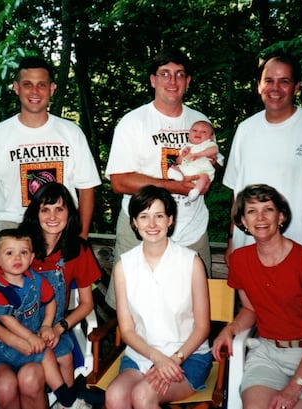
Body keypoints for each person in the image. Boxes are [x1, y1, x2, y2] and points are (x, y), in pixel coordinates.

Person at [211, 184, 302, 409]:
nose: (260, 217)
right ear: (243, 222)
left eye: (268, 209)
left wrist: (294, 387)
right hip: (269, 356)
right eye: (251, 211)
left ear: (281, 216)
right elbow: (250, 310)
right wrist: (229, 329)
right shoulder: (239, 260)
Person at [0, 55, 101, 272]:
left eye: (41, 85)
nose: (35, 92)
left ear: (52, 89)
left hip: (59, 229)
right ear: (16, 88)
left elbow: (87, 187)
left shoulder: (71, 133)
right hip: (11, 229)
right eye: (27, 84)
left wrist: (81, 236)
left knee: (63, 301)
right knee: (6, 301)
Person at [105, 47, 221, 308]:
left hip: (191, 229)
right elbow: (119, 181)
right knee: (131, 305)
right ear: (153, 80)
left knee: (194, 306)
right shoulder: (133, 122)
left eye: (179, 75)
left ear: (188, 82)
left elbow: (210, 162)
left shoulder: (200, 120)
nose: (172, 81)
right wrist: (174, 187)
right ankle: (133, 350)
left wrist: (205, 175)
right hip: (140, 229)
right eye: (164, 74)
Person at [0, 182, 100, 409]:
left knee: (40, 372)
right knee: (5, 386)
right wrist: (13, 339)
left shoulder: (78, 250)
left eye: (59, 209)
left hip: (50, 331)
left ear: (69, 213)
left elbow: (86, 304)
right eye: (45, 209)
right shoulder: (16, 248)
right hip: (4, 334)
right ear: (35, 213)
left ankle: (64, 402)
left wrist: (58, 327)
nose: (52, 216)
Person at [223, 51, 302, 265]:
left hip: (300, 252)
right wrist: (232, 242)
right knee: (248, 300)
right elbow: (236, 192)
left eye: (284, 81)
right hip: (248, 251)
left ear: (296, 87)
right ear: (259, 86)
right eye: (269, 81)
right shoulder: (245, 129)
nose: (275, 89)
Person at [105, 185, 212, 409]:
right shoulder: (124, 266)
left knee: (144, 396)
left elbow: (203, 327)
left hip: (187, 356)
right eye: (144, 216)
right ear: (133, 222)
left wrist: (173, 359)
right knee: (114, 396)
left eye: (159, 216)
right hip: (142, 354)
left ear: (170, 220)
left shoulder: (191, 261)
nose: (152, 224)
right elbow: (126, 331)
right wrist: (157, 358)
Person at [0, 228, 90, 409]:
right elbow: (6, 320)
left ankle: (64, 396)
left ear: (31, 258)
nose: (17, 258)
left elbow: (50, 301)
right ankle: (64, 394)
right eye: (10, 253)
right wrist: (30, 338)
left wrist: (46, 325)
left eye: (23, 253)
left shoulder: (35, 279)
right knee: (43, 352)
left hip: (33, 333)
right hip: (4, 344)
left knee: (48, 351)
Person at [167, 120, 219, 201]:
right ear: (189, 135)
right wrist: (183, 155)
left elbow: (214, 150)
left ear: (211, 137)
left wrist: (200, 154)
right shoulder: (187, 146)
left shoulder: (207, 144)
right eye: (195, 130)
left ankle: (195, 191)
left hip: (202, 170)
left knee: (204, 177)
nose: (198, 133)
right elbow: (179, 161)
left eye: (204, 132)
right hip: (187, 170)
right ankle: (177, 176)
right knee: (175, 167)